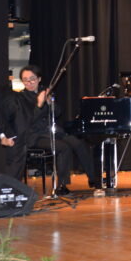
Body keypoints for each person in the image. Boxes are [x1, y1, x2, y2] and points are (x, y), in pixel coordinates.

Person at [18, 65, 96, 194]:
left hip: (51, 132)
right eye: (25, 80)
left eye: (32, 79)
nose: (29, 82)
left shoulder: (45, 92)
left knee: (78, 143)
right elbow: (29, 120)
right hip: (35, 136)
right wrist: (39, 104)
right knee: (63, 147)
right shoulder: (21, 98)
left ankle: (93, 179)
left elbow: (58, 112)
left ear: (39, 79)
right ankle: (61, 186)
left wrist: (50, 103)